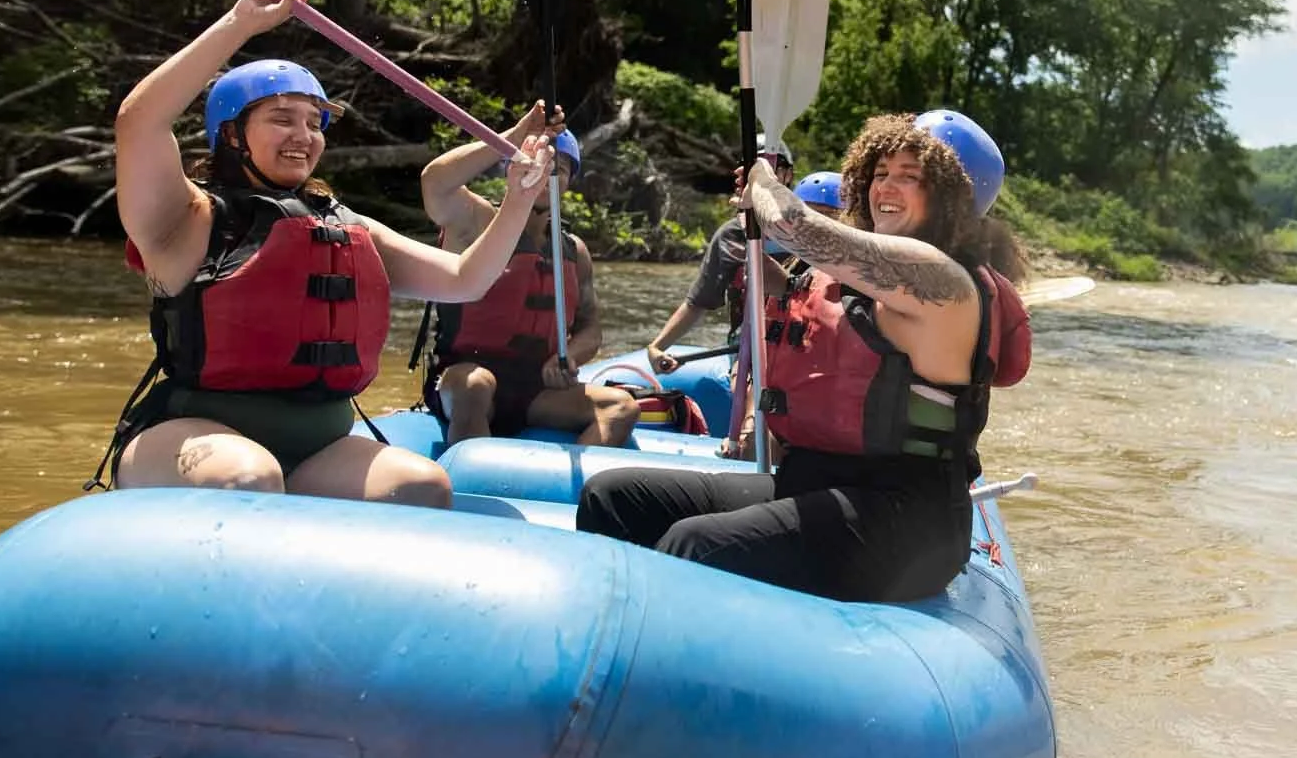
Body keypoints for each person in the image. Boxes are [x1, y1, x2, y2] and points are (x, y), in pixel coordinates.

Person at [98, 0, 556, 505]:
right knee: (249, 478)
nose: (304, 135)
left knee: (422, 486)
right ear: (230, 134)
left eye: (315, 123)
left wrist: (519, 196)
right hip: (196, 434)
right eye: (282, 118)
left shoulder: (343, 225)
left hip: (320, 442)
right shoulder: (187, 216)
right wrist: (239, 24)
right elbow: (139, 120)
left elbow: (465, 279)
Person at [576, 110, 1033, 603]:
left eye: (909, 177)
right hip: (816, 480)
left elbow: (798, 226)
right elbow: (811, 293)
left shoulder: (943, 282)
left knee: (694, 545)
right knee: (613, 499)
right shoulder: (867, 274)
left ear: (951, 197)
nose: (886, 188)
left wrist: (765, 182)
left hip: (904, 518)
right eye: (880, 173)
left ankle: (652, 666)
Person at [417, 104, 638, 446]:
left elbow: (589, 329)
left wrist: (568, 358)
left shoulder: (573, 250)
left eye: (559, 169)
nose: (547, 174)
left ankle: (577, 498)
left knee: (621, 408)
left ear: (569, 182)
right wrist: (515, 137)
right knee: (475, 385)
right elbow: (435, 182)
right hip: (465, 377)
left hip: (536, 387)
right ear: (511, 165)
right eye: (537, 162)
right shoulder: (475, 221)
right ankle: (470, 484)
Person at [642, 134, 794, 377]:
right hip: (748, 347)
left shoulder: (808, 232)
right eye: (754, 170)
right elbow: (697, 303)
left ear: (788, 176)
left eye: (773, 169)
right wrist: (658, 346)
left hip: (798, 345)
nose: (763, 178)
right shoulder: (731, 235)